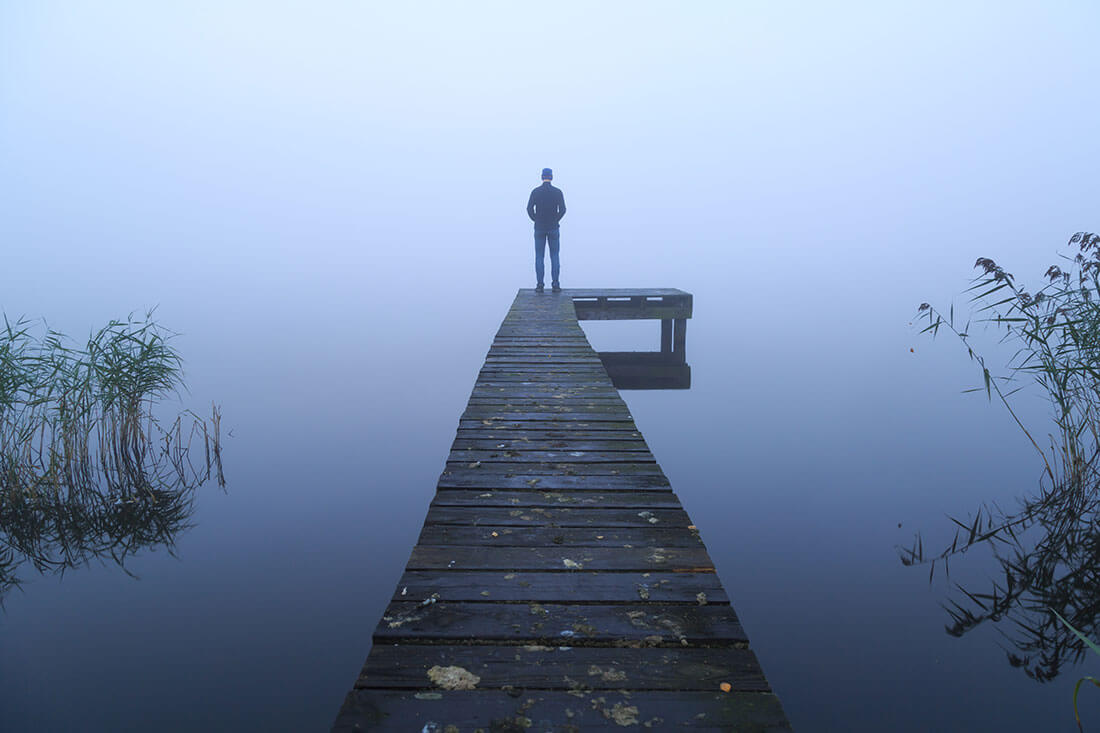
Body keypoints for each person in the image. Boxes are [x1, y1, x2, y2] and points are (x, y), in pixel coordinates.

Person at [526, 167, 566, 293]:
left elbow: (529, 209)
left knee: (539, 256)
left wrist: (536, 219)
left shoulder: (535, 192)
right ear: (552, 177)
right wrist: (556, 220)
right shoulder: (557, 192)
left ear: (542, 177)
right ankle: (555, 284)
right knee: (554, 256)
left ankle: (540, 285)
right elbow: (563, 209)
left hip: (539, 228)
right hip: (553, 227)